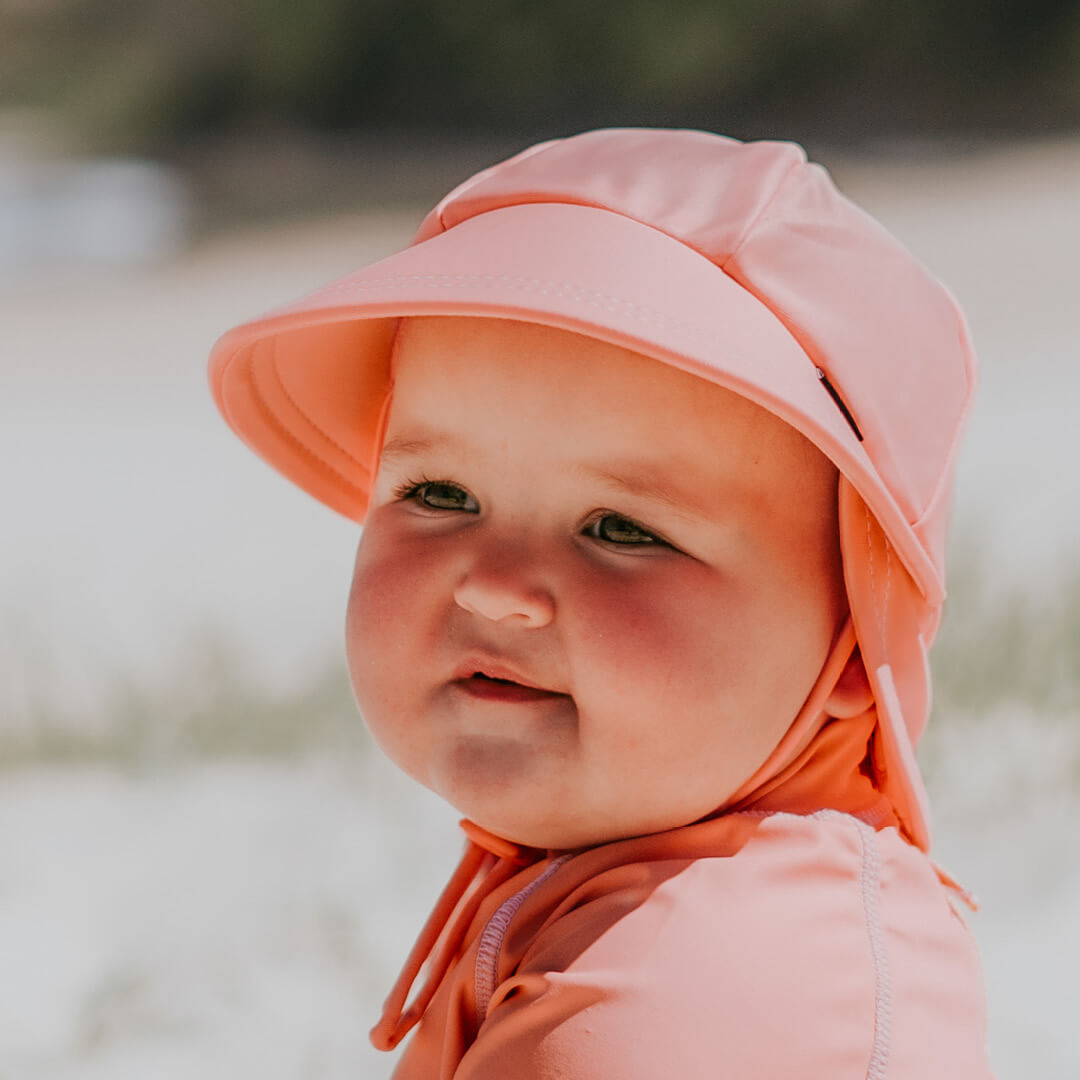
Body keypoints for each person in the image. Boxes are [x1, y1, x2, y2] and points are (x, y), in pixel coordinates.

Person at [208, 128, 994, 1078]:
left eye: (621, 530)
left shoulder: (679, 1005)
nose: (496, 588)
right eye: (440, 494)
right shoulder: (654, 899)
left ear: (852, 644)